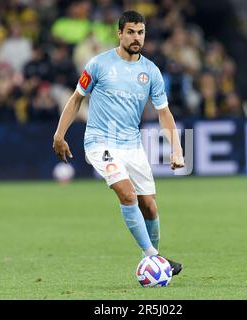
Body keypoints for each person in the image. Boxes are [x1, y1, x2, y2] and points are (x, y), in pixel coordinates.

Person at [52, 11, 184, 275]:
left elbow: (164, 113)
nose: (137, 38)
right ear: (120, 33)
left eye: (141, 32)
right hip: (100, 142)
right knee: (126, 194)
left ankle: (152, 257)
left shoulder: (151, 72)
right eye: (131, 32)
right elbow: (77, 98)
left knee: (149, 205)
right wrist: (59, 134)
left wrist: (177, 149)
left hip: (132, 145)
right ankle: (155, 260)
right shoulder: (99, 64)